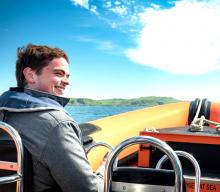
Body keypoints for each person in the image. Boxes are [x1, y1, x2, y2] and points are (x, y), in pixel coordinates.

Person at [0, 44, 103, 192]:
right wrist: (101, 173)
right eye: (59, 73)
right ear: (30, 75)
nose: (67, 81)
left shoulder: (4, 113)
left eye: (67, 76)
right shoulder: (57, 124)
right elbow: (86, 189)